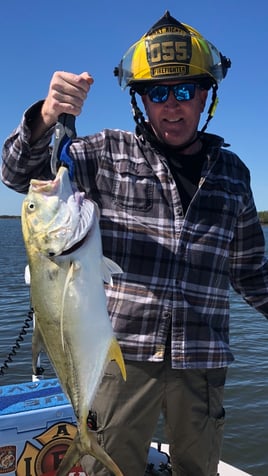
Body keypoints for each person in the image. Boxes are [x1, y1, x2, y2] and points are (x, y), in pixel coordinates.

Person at [2, 10, 268, 476]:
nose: (171, 105)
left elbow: (250, 272)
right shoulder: (104, 154)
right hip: (119, 357)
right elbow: (17, 173)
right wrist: (46, 117)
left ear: (206, 95)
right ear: (140, 101)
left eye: (184, 90)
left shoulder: (233, 175)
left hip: (202, 363)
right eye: (156, 93)